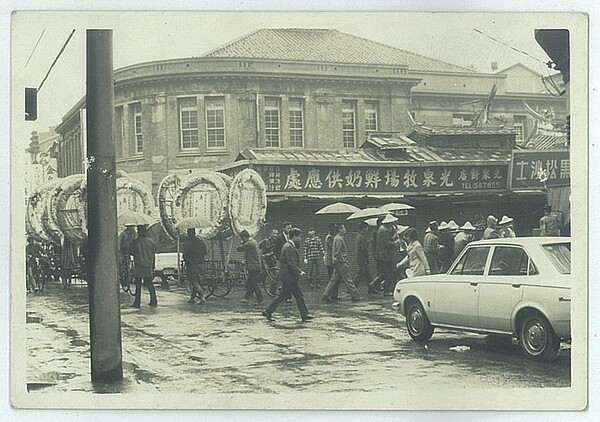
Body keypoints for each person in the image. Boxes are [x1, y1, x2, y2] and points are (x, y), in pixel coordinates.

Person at [262, 228, 313, 322]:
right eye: (299, 237)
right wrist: (299, 271)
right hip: (289, 277)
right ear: (294, 236)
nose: (300, 239)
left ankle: (304, 314)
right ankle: (268, 311)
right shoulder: (288, 247)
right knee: (291, 296)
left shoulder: (288, 246)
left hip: (288, 277)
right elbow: (290, 263)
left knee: (296, 296)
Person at [322, 224, 363, 302]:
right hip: (340, 263)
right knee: (348, 279)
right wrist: (343, 260)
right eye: (344, 228)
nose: (345, 229)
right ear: (340, 230)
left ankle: (325, 294)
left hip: (336, 262)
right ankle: (355, 296)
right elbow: (339, 252)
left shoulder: (337, 238)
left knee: (333, 279)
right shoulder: (339, 239)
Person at [130, 225, 158, 308]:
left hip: (139, 264)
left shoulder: (136, 242)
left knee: (138, 284)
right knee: (149, 283)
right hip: (148, 264)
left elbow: (133, 252)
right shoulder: (151, 241)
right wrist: (153, 265)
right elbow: (153, 254)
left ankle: (137, 302)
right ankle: (154, 300)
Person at [376, 214, 401, 296]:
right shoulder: (385, 230)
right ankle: (387, 290)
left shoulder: (381, 229)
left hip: (382, 255)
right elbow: (387, 243)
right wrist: (395, 243)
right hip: (386, 255)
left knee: (386, 273)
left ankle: (385, 288)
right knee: (388, 273)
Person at [182, 228, 208, 304]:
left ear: (188, 234)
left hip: (191, 264)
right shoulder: (200, 242)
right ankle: (192, 298)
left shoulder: (187, 243)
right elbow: (205, 251)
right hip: (200, 264)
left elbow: (185, 255)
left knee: (193, 281)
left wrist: (186, 260)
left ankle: (201, 295)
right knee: (197, 280)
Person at [238, 230, 263, 304]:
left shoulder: (249, 243)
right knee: (250, 282)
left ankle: (260, 299)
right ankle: (246, 298)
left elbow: (239, 249)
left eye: (242, 238)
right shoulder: (253, 241)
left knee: (254, 283)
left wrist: (242, 243)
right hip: (255, 265)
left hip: (253, 266)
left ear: (244, 237)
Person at [354, 222, 375, 293]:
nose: (367, 229)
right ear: (363, 228)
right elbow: (364, 249)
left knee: (367, 274)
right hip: (362, 258)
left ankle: (371, 288)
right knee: (361, 274)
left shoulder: (358, 237)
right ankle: (352, 288)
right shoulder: (362, 237)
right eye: (366, 228)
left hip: (359, 258)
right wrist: (367, 257)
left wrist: (368, 242)